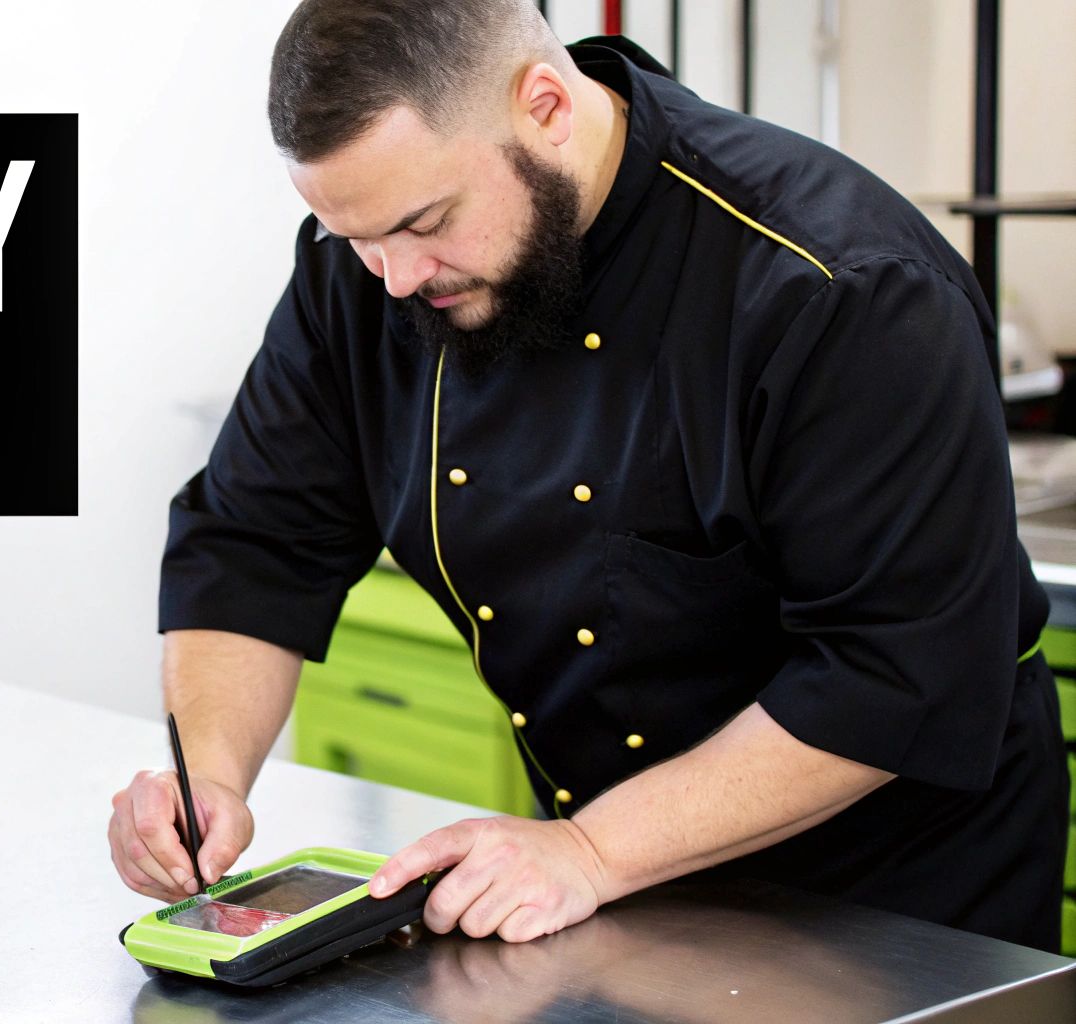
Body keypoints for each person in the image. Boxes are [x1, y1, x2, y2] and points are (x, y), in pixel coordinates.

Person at [108, 0, 1068, 952]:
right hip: (606, 889)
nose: (394, 280)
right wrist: (211, 780)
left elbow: (894, 670)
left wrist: (593, 851)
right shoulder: (369, 270)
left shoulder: (835, 286)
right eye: (356, 239)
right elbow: (256, 538)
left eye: (425, 222)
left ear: (546, 108)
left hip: (899, 909)